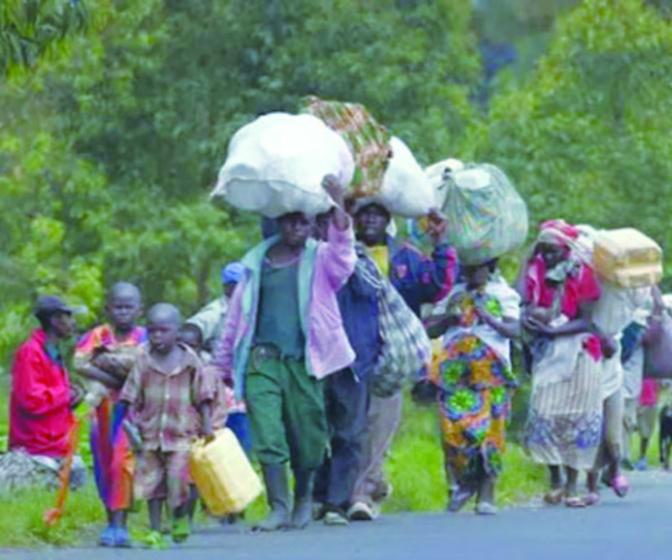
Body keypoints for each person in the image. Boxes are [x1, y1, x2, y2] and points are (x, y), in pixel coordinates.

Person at [214, 175, 356, 532]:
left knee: (308, 436)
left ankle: (304, 498)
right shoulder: (256, 264)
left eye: (303, 221)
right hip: (263, 361)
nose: (296, 227)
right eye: (290, 220)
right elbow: (236, 318)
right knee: (267, 432)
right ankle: (278, 506)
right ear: (278, 222)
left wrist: (338, 202)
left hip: (303, 362)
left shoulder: (321, 259)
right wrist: (221, 366)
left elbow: (344, 255)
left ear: (311, 225)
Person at [348, 202, 457, 521]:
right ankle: (356, 487)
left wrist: (441, 242)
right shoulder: (342, 253)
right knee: (348, 425)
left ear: (388, 219)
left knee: (380, 423)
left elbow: (437, 285)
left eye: (378, 214)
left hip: (391, 356)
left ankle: (363, 492)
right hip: (350, 352)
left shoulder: (406, 257)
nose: (370, 219)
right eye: (364, 213)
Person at [422, 259, 520, 515]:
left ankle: (486, 495)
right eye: (468, 268)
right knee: (454, 430)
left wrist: (488, 318)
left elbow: (514, 329)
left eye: (478, 267)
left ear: (491, 267)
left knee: (491, 434)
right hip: (455, 372)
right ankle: (462, 483)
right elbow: (429, 329)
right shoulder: (453, 294)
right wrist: (448, 318)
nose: (473, 273)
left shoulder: (504, 294)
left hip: (492, 374)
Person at [521, 220, 604, 508]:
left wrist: (554, 329)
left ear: (566, 250)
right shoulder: (536, 273)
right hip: (549, 353)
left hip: (579, 350)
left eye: (554, 251)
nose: (549, 257)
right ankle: (554, 477)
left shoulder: (582, 273)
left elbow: (586, 319)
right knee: (543, 414)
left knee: (578, 418)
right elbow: (523, 301)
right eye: (544, 251)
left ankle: (572, 484)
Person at [119, 303, 214, 547]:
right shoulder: (143, 359)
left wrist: (207, 424)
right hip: (149, 433)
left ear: (177, 331)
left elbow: (202, 394)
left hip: (181, 433)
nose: (157, 336)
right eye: (152, 331)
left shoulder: (190, 361)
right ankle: (155, 529)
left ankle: (179, 515)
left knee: (177, 479)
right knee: (151, 483)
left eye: (164, 330)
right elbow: (130, 395)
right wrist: (130, 424)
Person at [312, 210, 383, 526]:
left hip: (354, 358)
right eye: (321, 223)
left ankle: (336, 502)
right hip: (315, 357)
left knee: (349, 432)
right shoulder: (306, 261)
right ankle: (317, 494)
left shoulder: (359, 259)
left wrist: (345, 258)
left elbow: (373, 290)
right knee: (313, 431)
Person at [73, 283, 145, 547]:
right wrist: (115, 379)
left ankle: (120, 523)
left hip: (132, 411)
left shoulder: (146, 337)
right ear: (108, 309)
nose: (123, 312)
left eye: (129, 307)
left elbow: (147, 370)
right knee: (104, 465)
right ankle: (109, 521)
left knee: (123, 464)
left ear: (140, 309)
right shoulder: (98, 336)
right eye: (118, 306)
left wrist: (109, 369)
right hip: (101, 410)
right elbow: (80, 364)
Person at [8, 296, 86, 488]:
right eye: (68, 317)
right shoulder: (30, 352)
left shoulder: (52, 350)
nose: (72, 322)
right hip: (36, 448)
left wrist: (72, 398)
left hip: (57, 445)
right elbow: (31, 400)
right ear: (54, 320)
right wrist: (65, 394)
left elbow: (52, 397)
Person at [187, 263, 251, 454]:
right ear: (228, 288)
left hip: (243, 386)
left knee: (244, 445)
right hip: (221, 390)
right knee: (224, 444)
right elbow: (190, 334)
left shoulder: (250, 309)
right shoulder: (215, 313)